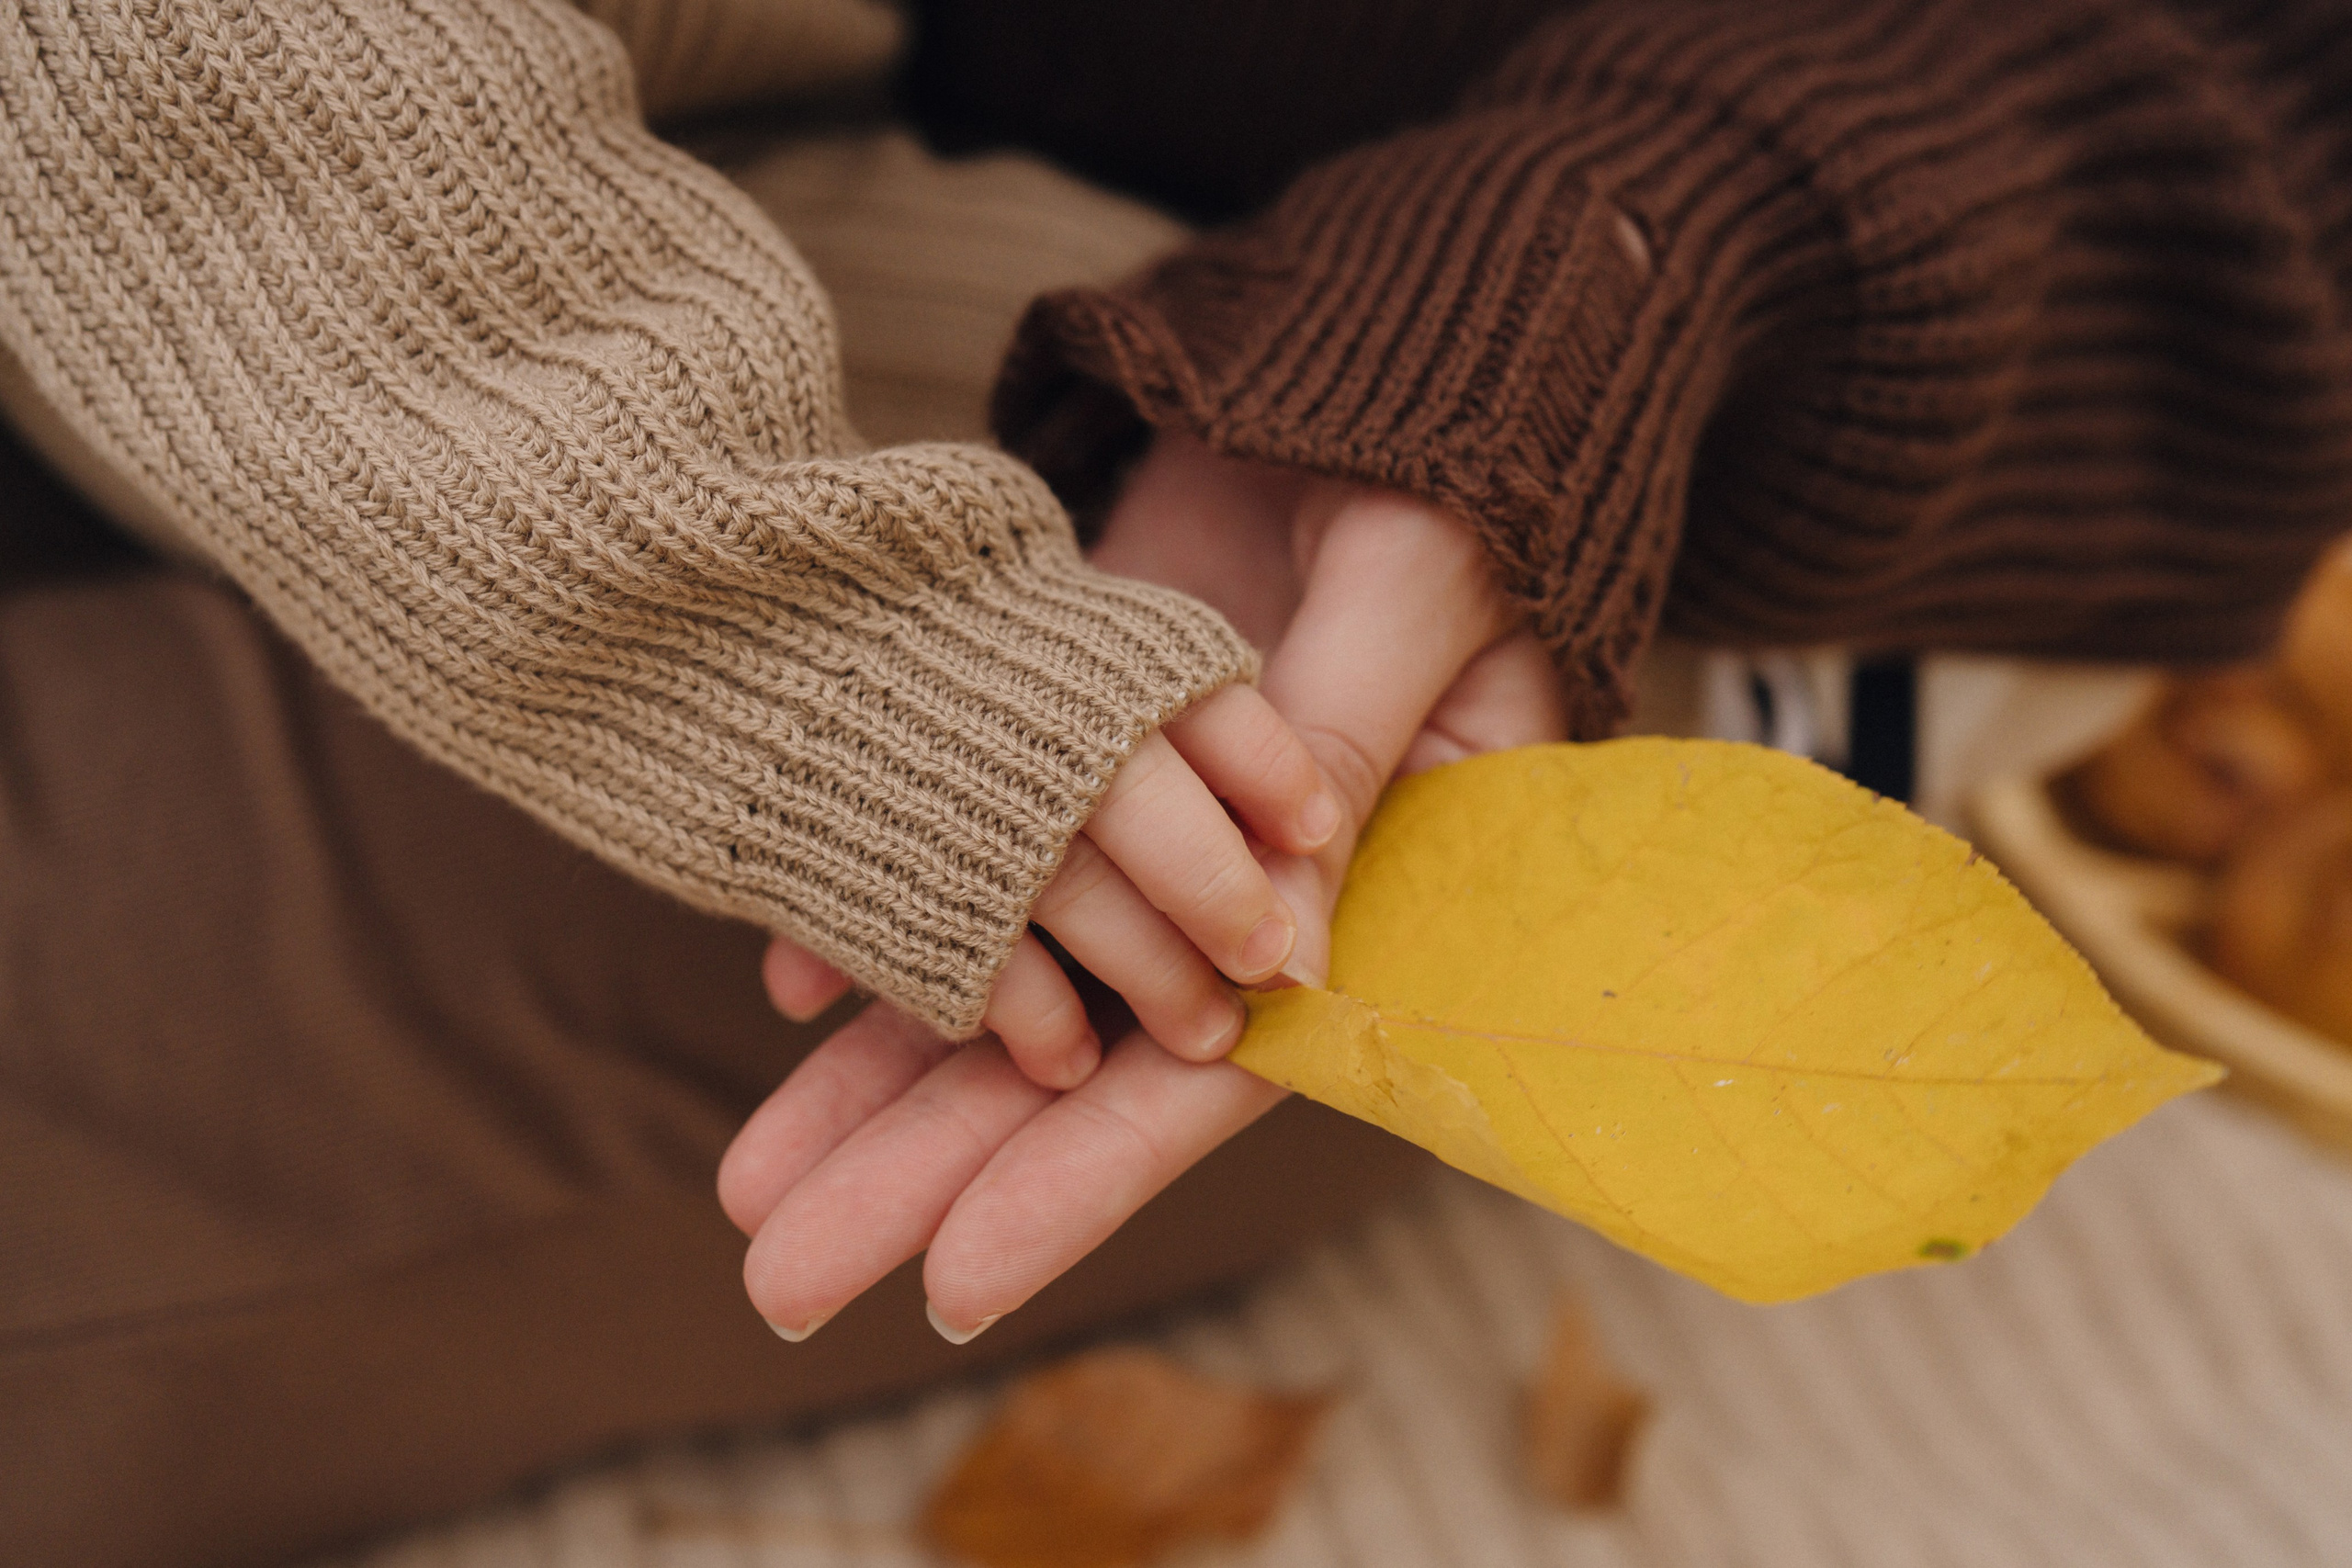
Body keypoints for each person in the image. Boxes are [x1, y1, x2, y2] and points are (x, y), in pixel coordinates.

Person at [5, 0, 2348, 1563]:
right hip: (500, 250)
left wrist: (1635, 247)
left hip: (1301, 436)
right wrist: (746, 595)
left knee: (1174, 991)